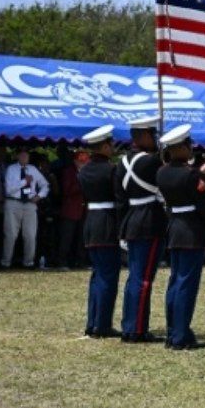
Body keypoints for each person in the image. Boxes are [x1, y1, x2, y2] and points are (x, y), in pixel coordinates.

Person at [157, 124, 205, 350]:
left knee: (175, 283)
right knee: (186, 285)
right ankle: (181, 336)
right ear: (181, 148)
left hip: (174, 229)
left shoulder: (162, 172)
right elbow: (204, 209)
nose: (191, 149)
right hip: (192, 232)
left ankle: (173, 332)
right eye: (189, 145)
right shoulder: (191, 175)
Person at [116, 115, 168, 343]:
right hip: (149, 221)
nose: (156, 139)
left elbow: (120, 196)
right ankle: (137, 330)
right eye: (153, 135)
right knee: (144, 279)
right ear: (143, 135)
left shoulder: (122, 161)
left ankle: (129, 325)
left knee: (134, 278)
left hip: (132, 219)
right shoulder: (151, 162)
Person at [79, 125, 123, 339]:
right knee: (108, 276)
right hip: (107, 223)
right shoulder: (111, 170)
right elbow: (119, 198)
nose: (113, 148)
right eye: (111, 145)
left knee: (97, 276)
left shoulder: (84, 170)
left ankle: (92, 322)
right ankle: (102, 325)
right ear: (104, 146)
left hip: (90, 223)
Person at [1, 147, 50, 268]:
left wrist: (39, 196)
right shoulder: (11, 169)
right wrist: (24, 182)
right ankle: (6, 262)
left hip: (29, 204)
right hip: (13, 202)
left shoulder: (33, 169)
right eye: (22, 155)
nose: (24, 158)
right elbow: (9, 189)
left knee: (30, 235)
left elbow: (45, 185)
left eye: (26, 155)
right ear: (17, 156)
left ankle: (29, 262)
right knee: (11, 234)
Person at [56, 149, 89, 269]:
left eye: (85, 161)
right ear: (75, 161)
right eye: (81, 161)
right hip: (70, 210)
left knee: (82, 238)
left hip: (84, 210)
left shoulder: (88, 172)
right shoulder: (68, 172)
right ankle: (62, 262)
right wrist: (81, 181)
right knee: (67, 238)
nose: (84, 163)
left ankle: (81, 262)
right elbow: (66, 190)